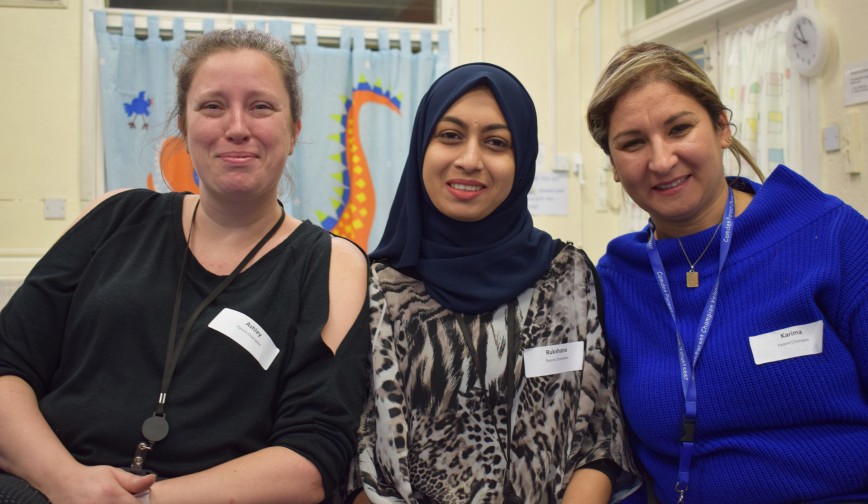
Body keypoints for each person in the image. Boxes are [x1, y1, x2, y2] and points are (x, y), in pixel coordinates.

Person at [0, 29, 370, 504]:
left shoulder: (332, 264)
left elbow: (314, 457)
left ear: (294, 130)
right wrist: (66, 483)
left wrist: (141, 503)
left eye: (261, 106)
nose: (236, 126)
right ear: (184, 128)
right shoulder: (115, 217)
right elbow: (9, 364)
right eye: (212, 106)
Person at [587, 41, 868, 503]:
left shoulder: (829, 236)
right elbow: (613, 447)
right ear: (613, 165)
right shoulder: (615, 280)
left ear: (722, 127)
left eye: (679, 128)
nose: (661, 159)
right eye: (632, 143)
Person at [348, 62, 640, 504]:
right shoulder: (373, 288)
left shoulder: (569, 277)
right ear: (420, 147)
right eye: (449, 135)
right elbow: (356, 461)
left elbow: (599, 441)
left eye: (496, 142)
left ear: (522, 160)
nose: (469, 159)